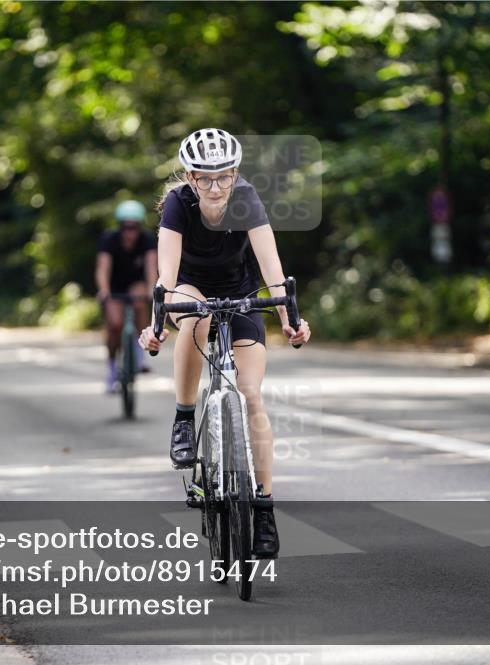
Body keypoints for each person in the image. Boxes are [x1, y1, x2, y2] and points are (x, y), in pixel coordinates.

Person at [138, 128, 311, 558]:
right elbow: (168, 277)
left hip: (241, 295)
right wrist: (156, 324)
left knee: (252, 395)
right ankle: (184, 416)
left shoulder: (246, 197)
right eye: (204, 178)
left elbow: (272, 266)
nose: (215, 187)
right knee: (194, 311)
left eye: (224, 177)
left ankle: (264, 508)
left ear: (235, 174)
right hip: (192, 291)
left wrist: (290, 317)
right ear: (190, 176)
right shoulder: (179, 205)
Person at [95, 200, 158, 392]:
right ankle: (112, 368)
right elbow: (102, 268)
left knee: (140, 300)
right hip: (114, 286)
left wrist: (152, 290)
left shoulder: (146, 239)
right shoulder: (109, 239)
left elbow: (151, 267)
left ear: (139, 227)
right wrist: (104, 290)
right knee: (114, 325)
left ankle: (139, 356)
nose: (130, 232)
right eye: (125, 226)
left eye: (134, 227)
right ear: (120, 226)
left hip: (135, 284)